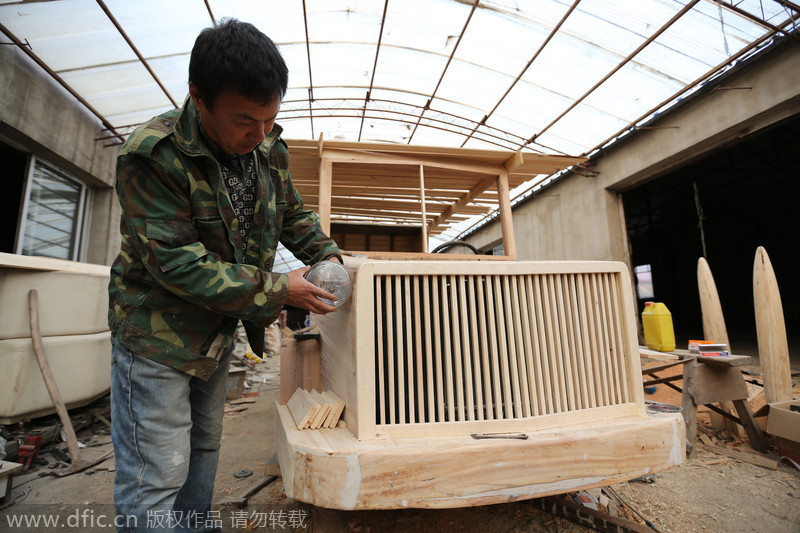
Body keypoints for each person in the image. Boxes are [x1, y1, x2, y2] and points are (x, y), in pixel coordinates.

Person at [107, 19, 341, 532]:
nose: (259, 134)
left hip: (214, 330)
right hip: (157, 337)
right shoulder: (152, 154)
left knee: (203, 445)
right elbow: (176, 261)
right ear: (198, 95)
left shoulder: (265, 147)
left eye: (269, 119)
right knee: (156, 472)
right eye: (244, 121)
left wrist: (332, 262)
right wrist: (280, 289)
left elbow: (293, 216)